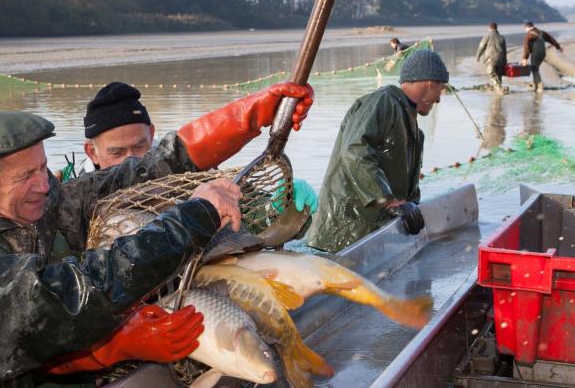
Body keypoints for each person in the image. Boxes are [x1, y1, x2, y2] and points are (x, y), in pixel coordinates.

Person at [0, 126, 239, 388]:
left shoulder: (48, 210)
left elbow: (134, 173)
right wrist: (194, 218)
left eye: (42, 169)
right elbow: (55, 300)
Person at [0, 80, 313, 263]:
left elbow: (159, 165)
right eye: (24, 177)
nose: (42, 186)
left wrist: (251, 114)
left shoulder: (61, 201)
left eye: (43, 169)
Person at [78, 80, 319, 213]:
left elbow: (249, 211)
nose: (131, 160)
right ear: (92, 152)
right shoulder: (72, 198)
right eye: (117, 152)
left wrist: (278, 208)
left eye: (140, 146)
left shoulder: (183, 180)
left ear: (151, 134)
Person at [306, 49, 449, 253]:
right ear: (429, 83)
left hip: (369, 238)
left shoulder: (415, 130)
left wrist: (410, 207)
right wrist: (390, 201)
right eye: (441, 89)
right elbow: (354, 151)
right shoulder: (382, 103)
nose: (438, 100)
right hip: (340, 235)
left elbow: (406, 191)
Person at [522, 21, 563, 92]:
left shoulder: (528, 35)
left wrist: (525, 58)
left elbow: (527, 48)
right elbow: (551, 40)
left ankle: (539, 86)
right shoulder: (542, 32)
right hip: (543, 54)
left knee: (534, 69)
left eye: (525, 29)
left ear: (528, 27)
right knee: (535, 69)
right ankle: (536, 85)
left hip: (535, 53)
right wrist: (558, 47)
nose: (525, 30)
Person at [475, 22, 507, 94]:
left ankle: (499, 88)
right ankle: (499, 89)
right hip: (500, 59)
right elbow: (505, 51)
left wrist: (478, 56)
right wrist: (505, 61)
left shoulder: (487, 36)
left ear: (489, 28)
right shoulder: (501, 37)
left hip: (490, 59)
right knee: (499, 74)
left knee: (491, 74)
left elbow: (481, 46)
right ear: (496, 28)